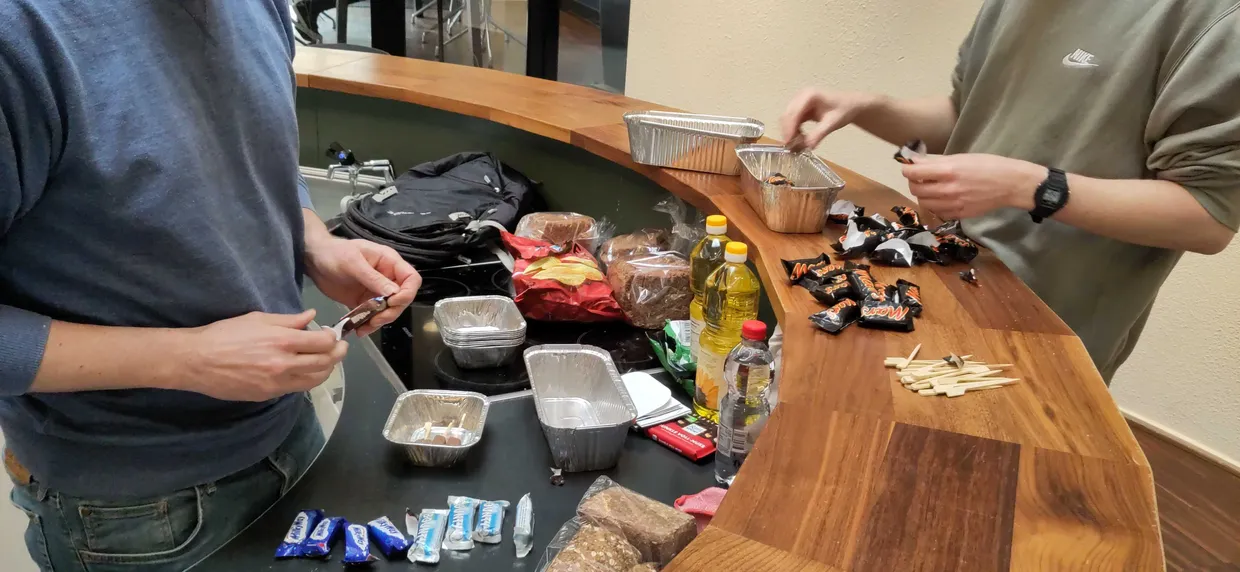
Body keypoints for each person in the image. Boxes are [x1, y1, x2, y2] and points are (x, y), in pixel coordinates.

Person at [1, 2, 421, 570]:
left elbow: (247, 149)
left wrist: (314, 241)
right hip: (133, 511)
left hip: (293, 433)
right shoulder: (21, 35)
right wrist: (186, 359)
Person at [782, 0, 1239, 382]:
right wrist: (869, 108)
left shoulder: (1213, 18)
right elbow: (969, 114)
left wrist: (1027, 186)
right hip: (938, 281)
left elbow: (1207, 217)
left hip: (1044, 332)